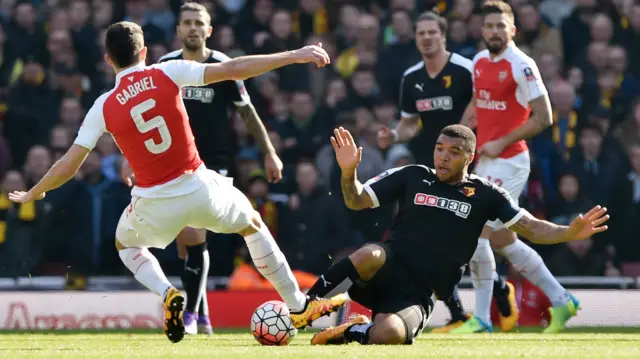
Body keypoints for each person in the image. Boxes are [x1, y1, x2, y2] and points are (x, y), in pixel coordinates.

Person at [7, 21, 346, 343]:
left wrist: (36, 191)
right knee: (253, 225)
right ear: (144, 52)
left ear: (108, 60)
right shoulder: (167, 71)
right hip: (199, 187)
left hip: (152, 202)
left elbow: (69, 163)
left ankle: (167, 292)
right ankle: (299, 306)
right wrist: (292, 56)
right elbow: (233, 69)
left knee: (127, 246)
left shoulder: (103, 106)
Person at [306, 125, 607, 345]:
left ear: (469, 156)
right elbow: (355, 199)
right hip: (386, 268)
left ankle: (353, 330)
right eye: (439, 148)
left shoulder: (486, 194)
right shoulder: (413, 175)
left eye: (454, 152)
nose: (443, 157)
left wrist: (568, 232)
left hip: (419, 293)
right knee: (369, 254)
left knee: (389, 335)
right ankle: (306, 305)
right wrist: (348, 173)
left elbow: (530, 227)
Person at [377, 10, 518, 333]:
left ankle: (494, 291)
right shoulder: (411, 77)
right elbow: (410, 122)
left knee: (468, 240)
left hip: (468, 168)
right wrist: (394, 136)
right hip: (429, 169)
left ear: (443, 36)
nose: (426, 38)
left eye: (432, 33)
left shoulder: (466, 70)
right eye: (421, 33)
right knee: (425, 240)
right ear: (415, 38)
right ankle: (461, 312)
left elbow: (489, 107)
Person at [155, 2, 284, 335]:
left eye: (199, 23)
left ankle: (191, 318)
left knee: (194, 233)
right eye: (187, 23)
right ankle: (205, 317)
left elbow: (247, 112)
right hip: (174, 164)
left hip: (214, 165)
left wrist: (269, 152)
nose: (193, 28)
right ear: (179, 30)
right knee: (188, 243)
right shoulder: (165, 66)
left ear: (209, 30)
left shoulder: (223, 66)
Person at [453, 1, 578, 333]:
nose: (494, 31)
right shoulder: (479, 61)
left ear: (512, 30)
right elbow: (477, 107)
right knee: (504, 238)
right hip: (486, 160)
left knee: (476, 230)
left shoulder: (522, 65)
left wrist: (502, 141)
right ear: (482, 30)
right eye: (489, 26)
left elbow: (544, 116)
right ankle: (563, 299)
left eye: (500, 26)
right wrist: (458, 138)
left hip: (511, 160)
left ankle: (480, 318)